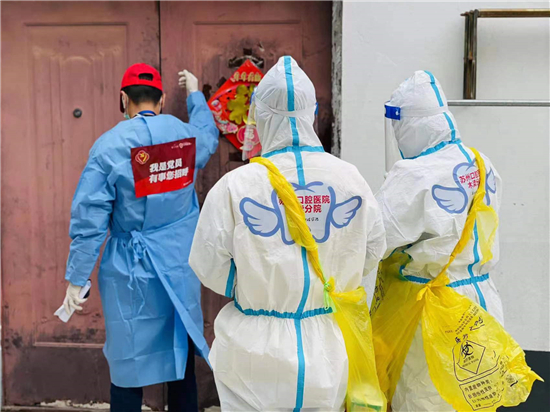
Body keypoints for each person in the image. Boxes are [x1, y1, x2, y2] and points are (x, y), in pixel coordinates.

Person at [189, 56, 386, 411]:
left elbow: (207, 262)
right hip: (329, 342)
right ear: (311, 114)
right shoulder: (350, 179)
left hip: (253, 347)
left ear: (260, 118)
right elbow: (372, 248)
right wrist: (333, 281)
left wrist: (250, 284)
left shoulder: (236, 185)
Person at [62, 63, 219, 411]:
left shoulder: (108, 147)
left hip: (129, 269)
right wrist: (195, 94)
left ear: (123, 99)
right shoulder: (185, 136)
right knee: (181, 356)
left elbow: (90, 218)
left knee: (127, 363)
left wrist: (77, 277)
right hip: (179, 263)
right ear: (161, 100)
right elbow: (208, 135)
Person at [375, 71, 503, 412]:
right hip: (481, 301)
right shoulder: (481, 162)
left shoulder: (414, 175)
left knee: (424, 399)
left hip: (430, 309)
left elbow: (374, 239)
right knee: (473, 400)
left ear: (410, 126)